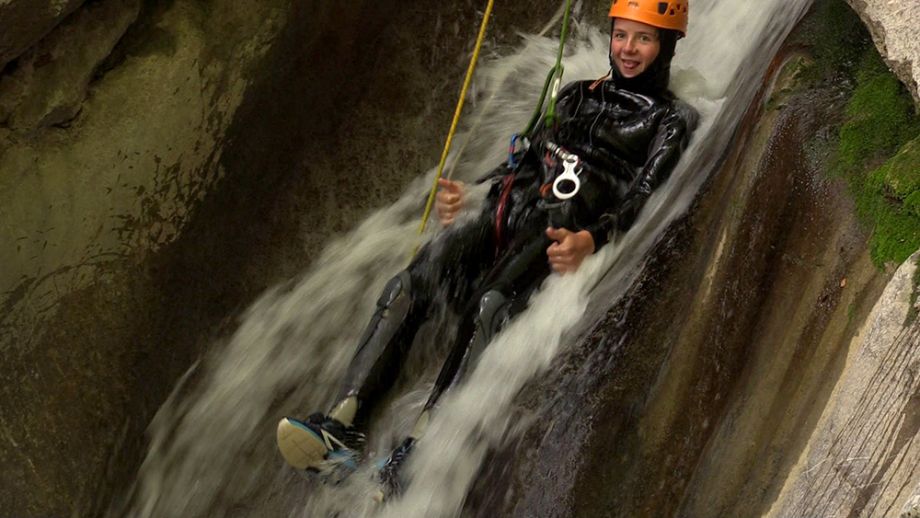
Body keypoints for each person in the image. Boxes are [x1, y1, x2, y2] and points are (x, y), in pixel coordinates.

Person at [276, 0, 698, 494]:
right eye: (622, 35)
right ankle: (342, 426)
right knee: (411, 284)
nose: (628, 49)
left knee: (490, 305)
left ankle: (419, 449)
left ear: (667, 45)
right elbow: (520, 161)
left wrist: (592, 238)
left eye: (644, 39)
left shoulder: (670, 119)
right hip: (510, 209)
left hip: (557, 228)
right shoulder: (574, 95)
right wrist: (473, 192)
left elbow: (646, 194)